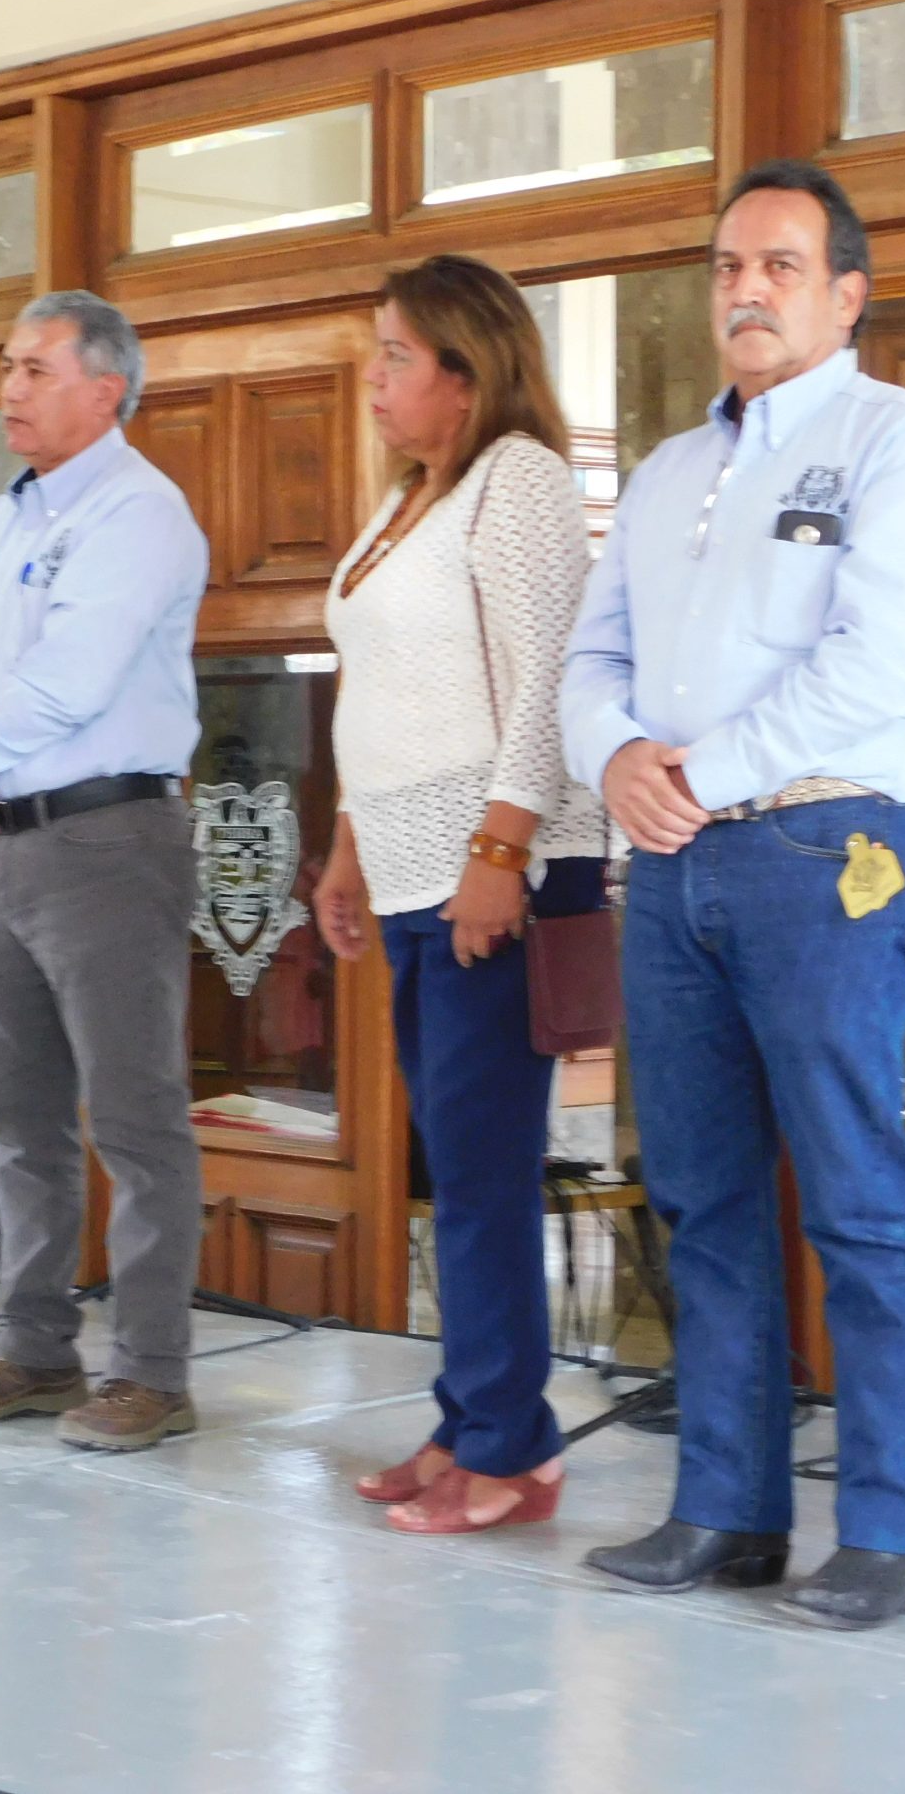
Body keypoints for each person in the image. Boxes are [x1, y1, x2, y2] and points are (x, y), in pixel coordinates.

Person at [563, 160, 905, 1629]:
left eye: (781, 267)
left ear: (845, 297)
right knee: (703, 1199)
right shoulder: (671, 472)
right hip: (676, 870)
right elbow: (592, 656)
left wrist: (698, 773)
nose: (746, 291)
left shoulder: (900, 444)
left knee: (859, 1201)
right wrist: (615, 758)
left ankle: (890, 1531)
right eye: (729, 268)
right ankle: (726, 1511)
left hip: (824, 854)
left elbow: (877, 666)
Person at [312, 255, 607, 1534]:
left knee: (483, 1170)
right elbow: (381, 691)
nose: (373, 377)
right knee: (454, 1159)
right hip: (409, 865)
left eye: (396, 354)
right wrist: (345, 845)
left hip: (494, 866)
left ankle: (512, 1449)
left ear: (466, 371)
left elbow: (552, 676)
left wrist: (501, 852)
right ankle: (470, 1415)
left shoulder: (518, 479)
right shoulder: (408, 498)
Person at [0, 290, 210, 1454]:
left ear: (106, 389)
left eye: (35, 369)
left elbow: (69, 680)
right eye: (7, 366)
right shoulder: (5, 517)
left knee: (133, 1117)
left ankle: (151, 1372)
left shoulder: (140, 513)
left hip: (106, 842)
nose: (9, 389)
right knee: (19, 1118)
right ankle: (34, 1348)